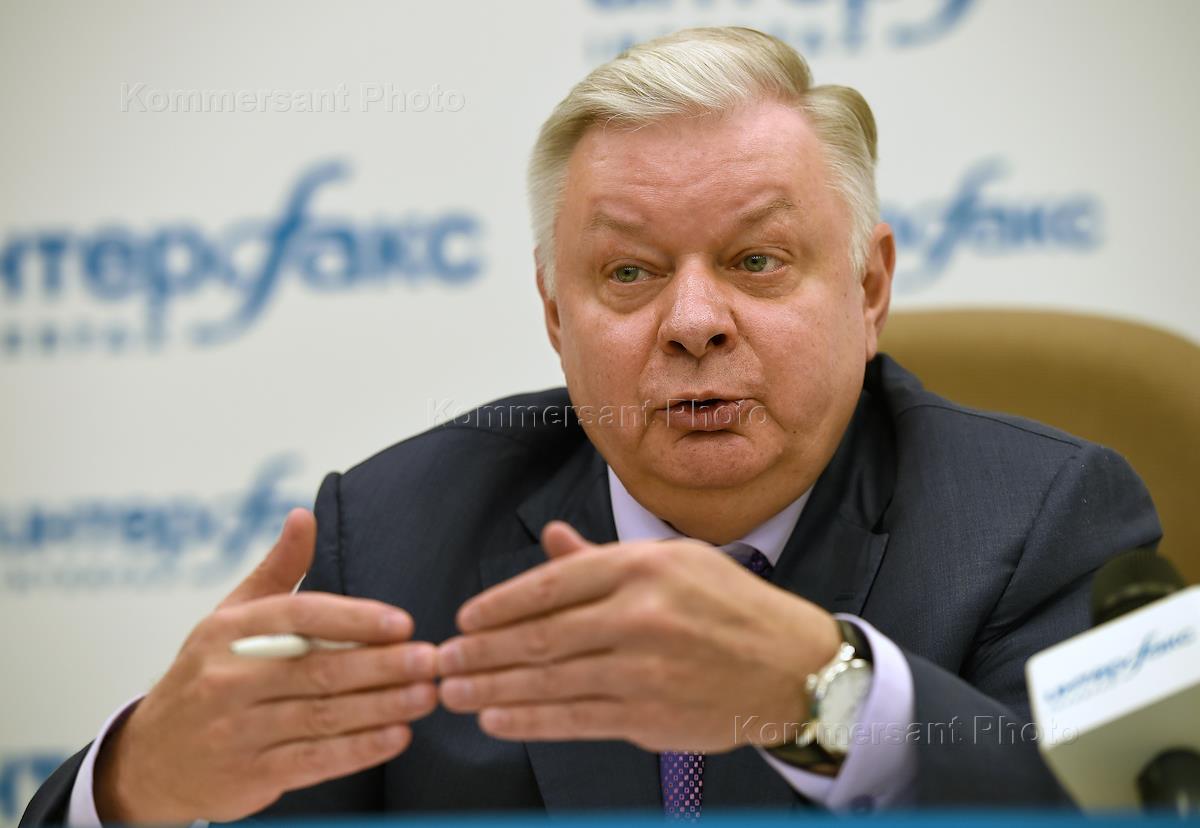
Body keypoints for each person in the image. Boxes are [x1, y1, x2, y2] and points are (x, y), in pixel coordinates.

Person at [23, 26, 1160, 824]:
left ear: (869, 288)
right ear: (554, 316)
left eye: (759, 260)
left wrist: (826, 699)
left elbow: (1131, 806)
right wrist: (139, 786)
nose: (696, 322)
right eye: (628, 272)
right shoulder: (392, 537)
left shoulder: (1045, 520)